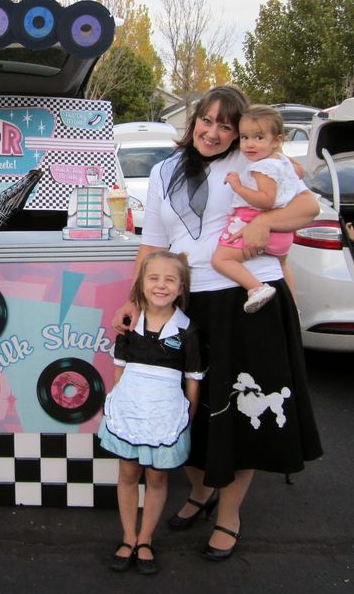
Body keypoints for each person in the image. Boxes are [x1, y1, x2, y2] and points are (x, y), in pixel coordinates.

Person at [112, 85, 322, 561]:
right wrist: (134, 301)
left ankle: (229, 515)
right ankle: (200, 491)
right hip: (187, 306)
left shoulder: (258, 163)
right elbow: (154, 244)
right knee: (191, 407)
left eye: (226, 125)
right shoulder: (165, 170)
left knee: (240, 408)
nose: (214, 132)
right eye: (206, 121)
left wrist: (267, 224)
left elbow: (307, 209)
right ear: (193, 123)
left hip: (248, 299)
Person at [100, 251, 203, 576]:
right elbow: (119, 370)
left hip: (166, 415)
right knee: (128, 474)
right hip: (130, 410)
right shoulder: (128, 323)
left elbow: (193, 381)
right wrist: (117, 403)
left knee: (158, 478)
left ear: (182, 287)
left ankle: (146, 539)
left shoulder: (188, 331)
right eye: (153, 278)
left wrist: (186, 419)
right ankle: (128, 536)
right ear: (141, 285)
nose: (161, 285)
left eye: (170, 279)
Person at [211, 105, 301, 312]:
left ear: (276, 140)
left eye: (258, 138)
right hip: (283, 233)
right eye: (244, 137)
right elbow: (300, 173)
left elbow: (266, 200)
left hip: (252, 222)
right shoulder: (282, 161)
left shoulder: (262, 166)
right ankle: (293, 305)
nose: (249, 144)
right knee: (283, 265)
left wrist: (238, 186)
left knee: (221, 259)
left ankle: (256, 288)